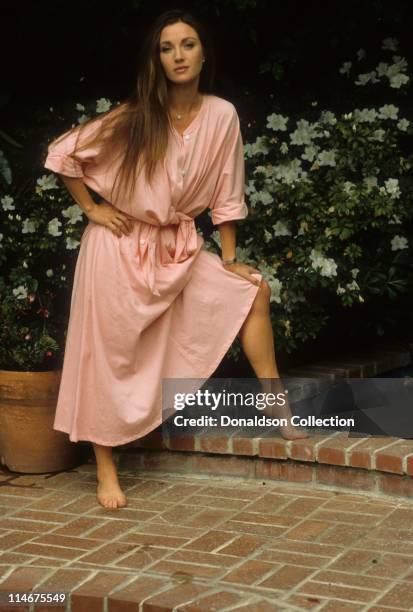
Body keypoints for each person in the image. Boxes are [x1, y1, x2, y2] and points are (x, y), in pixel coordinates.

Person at [43, 9, 308, 510]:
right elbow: (63, 154)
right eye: (167, 48)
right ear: (157, 59)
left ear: (203, 54)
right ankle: (105, 467)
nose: (178, 55)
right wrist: (93, 208)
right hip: (118, 248)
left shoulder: (222, 115)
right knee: (109, 353)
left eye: (188, 45)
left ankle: (279, 408)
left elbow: (228, 194)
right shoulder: (137, 114)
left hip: (176, 246)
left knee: (253, 290)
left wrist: (229, 258)